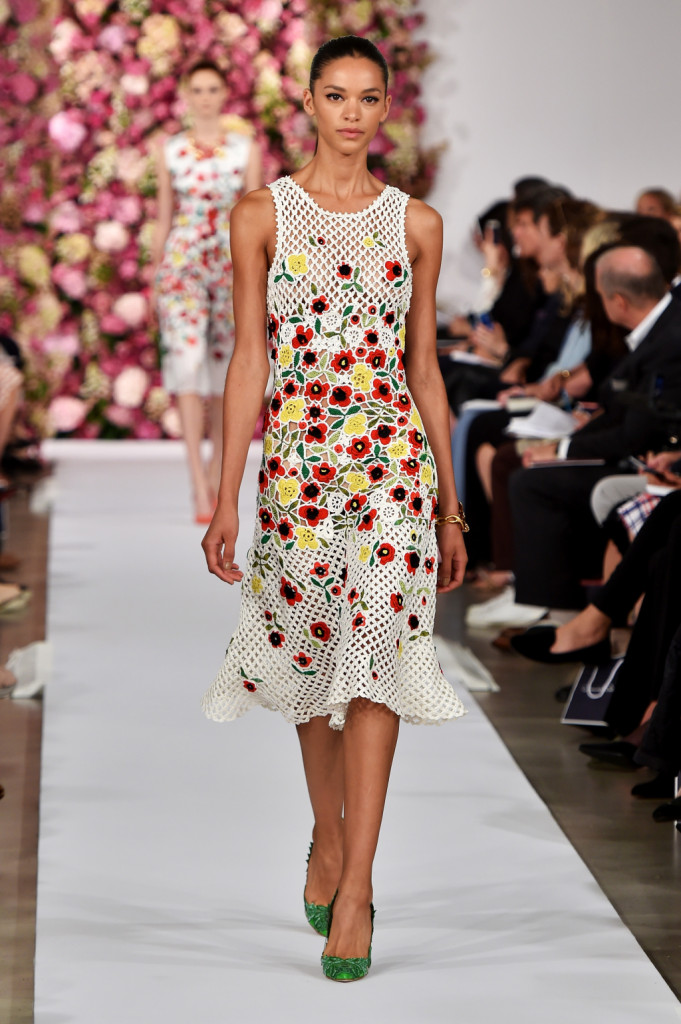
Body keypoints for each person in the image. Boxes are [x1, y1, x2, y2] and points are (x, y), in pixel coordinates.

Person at [200, 35, 468, 982]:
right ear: (308, 104)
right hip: (298, 475)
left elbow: (425, 370)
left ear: (386, 108)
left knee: (377, 664)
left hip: (392, 470)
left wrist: (449, 508)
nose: (351, 113)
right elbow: (249, 358)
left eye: (367, 97)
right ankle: (327, 834)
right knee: (311, 666)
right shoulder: (258, 214)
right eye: (335, 95)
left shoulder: (417, 224)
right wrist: (225, 496)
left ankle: (356, 888)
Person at [152, 60, 262, 523]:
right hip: (182, 267)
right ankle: (198, 485)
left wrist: (258, 274)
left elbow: (255, 212)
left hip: (231, 266)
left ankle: (217, 475)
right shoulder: (171, 150)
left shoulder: (244, 149)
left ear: (224, 93)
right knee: (187, 367)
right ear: (185, 94)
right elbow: (164, 215)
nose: (205, 97)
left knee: (223, 375)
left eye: (213, 88)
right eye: (197, 89)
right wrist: (156, 273)